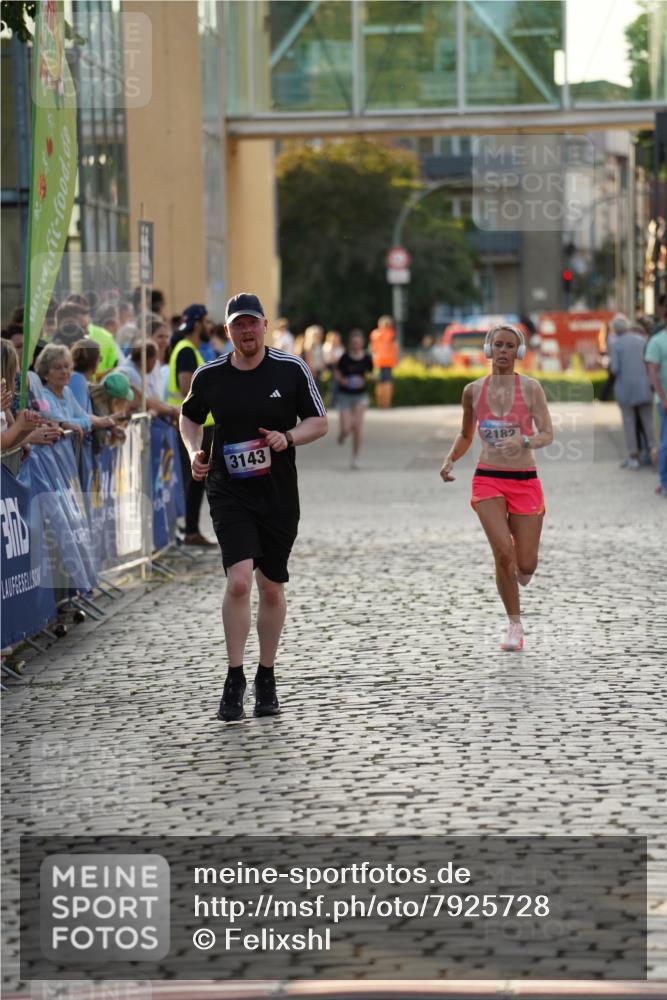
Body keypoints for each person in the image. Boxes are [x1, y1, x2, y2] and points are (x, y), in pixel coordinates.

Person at [179, 292, 328, 722]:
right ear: (227, 332)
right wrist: (193, 451)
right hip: (229, 490)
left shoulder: (291, 368)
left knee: (272, 587)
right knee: (240, 582)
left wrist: (288, 438)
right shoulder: (210, 376)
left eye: (252, 323)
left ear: (265, 325)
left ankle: (267, 673)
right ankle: (234, 675)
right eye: (237, 325)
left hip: (278, 493)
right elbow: (188, 416)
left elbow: (319, 421)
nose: (246, 332)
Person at [440, 324, 554, 652]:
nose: (503, 351)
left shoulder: (531, 388)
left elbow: (548, 433)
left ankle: (522, 568)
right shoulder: (472, 391)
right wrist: (451, 459)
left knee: (526, 564)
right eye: (498, 345)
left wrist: (526, 439)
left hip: (524, 480)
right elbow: (465, 435)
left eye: (509, 346)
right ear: (489, 350)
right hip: (487, 477)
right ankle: (514, 625)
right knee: (503, 552)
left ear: (517, 353)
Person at [168, 304, 216, 546]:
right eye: (207, 322)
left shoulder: (191, 349)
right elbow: (186, 388)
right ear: (197, 324)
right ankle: (191, 531)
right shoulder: (186, 350)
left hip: (199, 424)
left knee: (197, 480)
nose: (210, 327)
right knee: (195, 479)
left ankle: (192, 530)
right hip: (193, 424)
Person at [35, 343, 116, 440]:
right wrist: (95, 422)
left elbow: (83, 415)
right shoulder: (43, 396)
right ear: (45, 373)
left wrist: (106, 422)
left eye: (66, 366)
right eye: (58, 368)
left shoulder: (66, 391)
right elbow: (61, 421)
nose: (64, 371)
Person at [609, 321, 654, 470]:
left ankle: (634, 457)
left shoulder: (617, 344)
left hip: (626, 389)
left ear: (615, 330)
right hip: (645, 387)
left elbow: (615, 368)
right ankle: (653, 452)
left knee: (629, 423)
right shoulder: (642, 340)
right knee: (648, 421)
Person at [335, 328, 373, 469]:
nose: (356, 345)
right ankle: (342, 435)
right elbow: (337, 373)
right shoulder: (344, 358)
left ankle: (355, 457)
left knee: (357, 427)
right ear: (350, 343)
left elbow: (370, 374)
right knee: (346, 428)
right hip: (345, 395)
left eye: (358, 342)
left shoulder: (367, 358)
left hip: (360, 396)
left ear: (362, 343)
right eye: (353, 342)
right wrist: (342, 380)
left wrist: (369, 378)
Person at [119, 337, 179, 420]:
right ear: (147, 360)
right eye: (154, 360)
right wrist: (172, 410)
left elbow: (154, 400)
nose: (155, 364)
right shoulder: (130, 374)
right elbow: (147, 402)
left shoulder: (138, 370)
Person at [645, 317, 667, 497]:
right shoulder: (657, 341)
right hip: (664, 401)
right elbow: (652, 372)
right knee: (665, 443)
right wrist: (663, 398)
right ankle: (664, 481)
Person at [369, 314, 399, 408]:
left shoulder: (385, 333)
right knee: (383, 383)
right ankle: (383, 404)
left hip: (385, 362)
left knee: (385, 383)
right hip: (380, 362)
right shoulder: (381, 334)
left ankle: (385, 404)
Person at [322, 330, 344, 407]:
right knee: (333, 385)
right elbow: (329, 360)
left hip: (338, 369)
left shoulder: (341, 348)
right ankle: (332, 404)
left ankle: (336, 403)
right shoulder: (327, 347)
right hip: (329, 369)